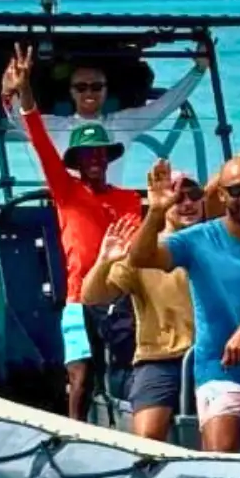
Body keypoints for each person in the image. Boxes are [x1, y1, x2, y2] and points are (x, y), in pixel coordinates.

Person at [125, 154, 240, 452]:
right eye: (236, 190)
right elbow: (140, 257)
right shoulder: (196, 239)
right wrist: (156, 212)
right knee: (223, 449)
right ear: (221, 195)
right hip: (221, 367)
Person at [0, 43, 142, 422]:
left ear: (108, 158)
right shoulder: (66, 191)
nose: (94, 159)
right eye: (87, 155)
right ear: (78, 161)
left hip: (120, 298)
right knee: (80, 376)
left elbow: (145, 241)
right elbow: (39, 139)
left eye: (100, 154)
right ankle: (74, 433)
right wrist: (24, 89)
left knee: (126, 370)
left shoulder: (129, 199)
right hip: (80, 298)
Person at [81, 171, 205, 442]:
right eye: (177, 196)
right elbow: (92, 297)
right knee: (147, 436)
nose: (187, 203)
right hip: (160, 359)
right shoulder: (142, 252)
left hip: (213, 356)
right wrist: (103, 262)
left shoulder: (219, 241)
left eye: (194, 194)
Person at [5, 50, 209, 185]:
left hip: (111, 207)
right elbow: (19, 117)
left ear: (105, 90)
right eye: (81, 87)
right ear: (71, 92)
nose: (89, 93)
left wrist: (198, 70)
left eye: (96, 87)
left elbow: (165, 105)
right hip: (67, 209)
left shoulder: (123, 124)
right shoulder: (54, 126)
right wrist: (11, 89)